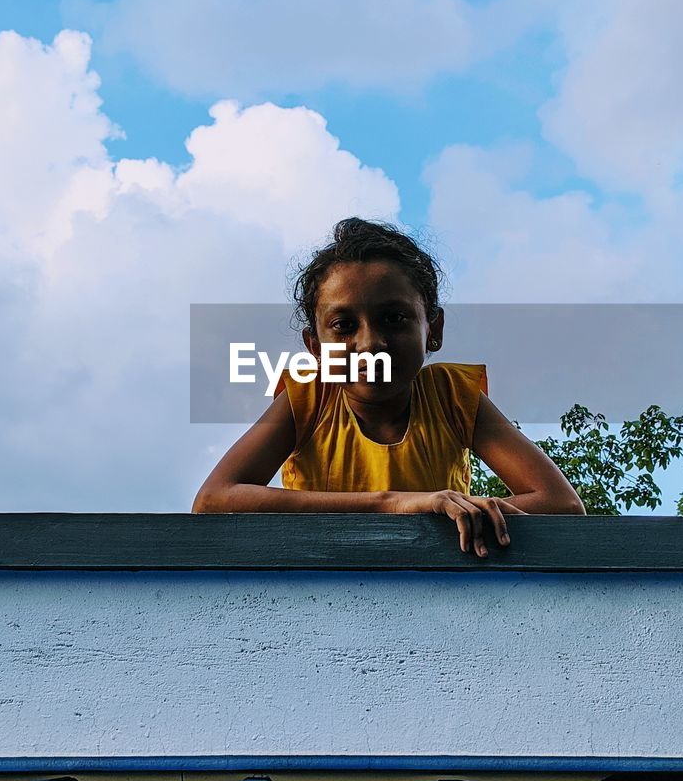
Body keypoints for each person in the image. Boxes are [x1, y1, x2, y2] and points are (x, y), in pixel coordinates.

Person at [192, 218, 585, 556]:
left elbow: (564, 506)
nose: (371, 343)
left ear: (434, 330)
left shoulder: (454, 396)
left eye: (394, 318)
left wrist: (473, 509)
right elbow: (213, 501)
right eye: (344, 326)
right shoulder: (308, 398)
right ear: (315, 348)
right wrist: (393, 503)